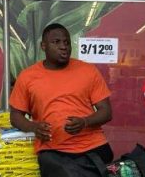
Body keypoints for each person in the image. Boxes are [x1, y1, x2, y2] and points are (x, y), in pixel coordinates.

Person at [9, 23, 113, 164]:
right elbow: (15, 116)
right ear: (43, 46)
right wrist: (33, 127)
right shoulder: (27, 76)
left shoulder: (88, 71)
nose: (63, 46)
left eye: (66, 42)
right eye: (56, 42)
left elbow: (106, 112)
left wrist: (85, 122)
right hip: (52, 150)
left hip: (93, 146)